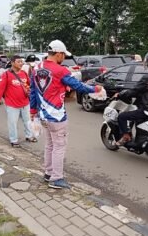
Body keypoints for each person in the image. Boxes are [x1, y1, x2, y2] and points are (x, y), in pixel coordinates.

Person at [30, 40, 102, 189]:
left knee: (50, 145)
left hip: (43, 114)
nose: (64, 58)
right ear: (58, 53)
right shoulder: (60, 70)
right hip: (56, 115)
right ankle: (57, 179)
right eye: (63, 55)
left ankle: (48, 173)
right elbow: (78, 85)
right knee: (59, 146)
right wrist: (96, 89)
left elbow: (32, 91)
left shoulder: (36, 68)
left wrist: (33, 111)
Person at [116, 50, 148, 146]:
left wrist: (120, 94)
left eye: (146, 61)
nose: (145, 63)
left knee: (122, 116)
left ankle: (125, 137)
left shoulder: (147, 78)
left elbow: (134, 91)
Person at [0, 55, 36, 147]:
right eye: (18, 61)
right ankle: (14, 140)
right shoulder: (6, 75)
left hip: (25, 103)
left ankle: (29, 136)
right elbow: (0, 89)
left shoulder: (24, 73)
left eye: (21, 62)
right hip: (12, 104)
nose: (21, 63)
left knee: (27, 121)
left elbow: (30, 84)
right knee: (12, 123)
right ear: (12, 63)